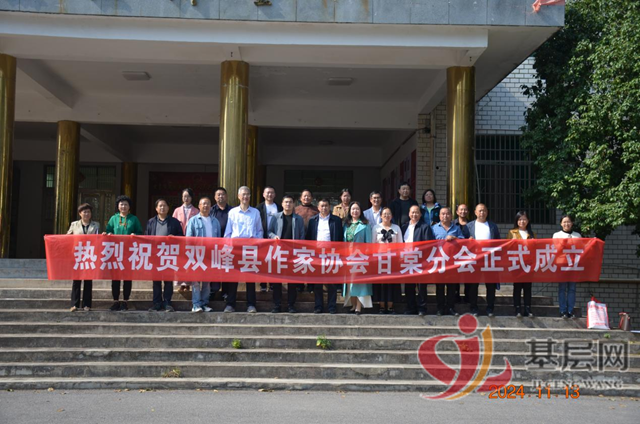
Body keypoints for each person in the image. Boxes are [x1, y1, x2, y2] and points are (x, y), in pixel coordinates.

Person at [224, 186, 263, 313]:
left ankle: (251, 305)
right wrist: (228, 247)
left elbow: (259, 231)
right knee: (233, 277)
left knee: (250, 278)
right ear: (238, 196)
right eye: (243, 194)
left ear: (250, 196)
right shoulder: (233, 212)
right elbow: (228, 232)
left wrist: (256, 243)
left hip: (250, 248)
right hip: (235, 248)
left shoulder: (255, 212)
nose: (245, 197)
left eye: (247, 194)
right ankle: (230, 304)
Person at [104, 195, 143, 311]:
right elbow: (108, 231)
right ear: (118, 206)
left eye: (126, 204)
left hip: (129, 253)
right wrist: (108, 234)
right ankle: (115, 300)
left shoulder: (134, 219)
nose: (123, 206)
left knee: (127, 277)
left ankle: (125, 301)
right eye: (121, 204)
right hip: (115, 252)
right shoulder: (113, 218)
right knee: (115, 278)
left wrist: (135, 235)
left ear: (129, 207)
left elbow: (140, 232)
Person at [268, 195, 305, 313]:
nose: (288, 204)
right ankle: (277, 305)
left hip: (293, 253)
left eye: (290, 202)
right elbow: (269, 232)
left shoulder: (298, 219)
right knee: (277, 281)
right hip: (278, 252)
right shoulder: (275, 217)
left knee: (292, 281)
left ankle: (291, 305)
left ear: (293, 204)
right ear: (282, 204)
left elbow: (302, 236)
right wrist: (274, 236)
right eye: (286, 202)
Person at [146, 198, 184, 312]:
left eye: (164, 205)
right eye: (160, 206)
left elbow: (181, 236)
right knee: (156, 281)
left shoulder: (174, 222)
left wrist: (175, 237)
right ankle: (157, 303)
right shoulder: (151, 222)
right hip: (155, 255)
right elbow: (146, 237)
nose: (162, 208)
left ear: (168, 208)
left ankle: (167, 302)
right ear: (156, 208)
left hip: (169, 255)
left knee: (168, 281)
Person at [306, 198, 343, 313]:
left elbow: (340, 237)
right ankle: (318, 306)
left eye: (326, 205)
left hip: (332, 254)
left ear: (330, 207)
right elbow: (309, 237)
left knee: (332, 283)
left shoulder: (336, 220)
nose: (324, 208)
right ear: (318, 207)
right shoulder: (313, 220)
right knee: (318, 283)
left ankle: (332, 306)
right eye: (322, 206)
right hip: (317, 254)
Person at [185, 197, 221, 312]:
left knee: (207, 282)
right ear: (199, 206)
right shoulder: (193, 220)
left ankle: (204, 303)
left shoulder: (215, 221)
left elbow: (219, 240)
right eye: (203, 204)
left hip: (210, 255)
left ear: (211, 206)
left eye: (208, 204)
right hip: (197, 255)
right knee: (196, 281)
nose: (205, 206)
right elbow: (188, 239)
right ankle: (196, 305)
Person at [467, 203, 501, 317]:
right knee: (473, 285)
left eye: (484, 211)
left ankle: (490, 308)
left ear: (487, 212)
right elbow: (463, 242)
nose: (482, 213)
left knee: (490, 285)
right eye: (480, 211)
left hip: (489, 259)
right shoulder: (469, 226)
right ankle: (473, 307)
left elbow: (498, 242)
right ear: (475, 212)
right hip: (474, 259)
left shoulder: (492, 226)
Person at [431, 207, 466, 316]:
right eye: (443, 214)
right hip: (439, 261)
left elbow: (463, 242)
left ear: (451, 216)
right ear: (439, 216)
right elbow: (429, 243)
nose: (445, 216)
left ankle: (451, 307)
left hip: (452, 261)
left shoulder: (456, 228)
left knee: (452, 286)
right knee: (440, 286)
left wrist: (454, 238)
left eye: (447, 214)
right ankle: (440, 308)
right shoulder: (433, 228)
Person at [401, 205, 435, 315]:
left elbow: (428, 245)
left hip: (420, 260)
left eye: (417, 212)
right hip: (407, 260)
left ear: (420, 214)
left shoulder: (424, 227)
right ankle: (411, 307)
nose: (414, 214)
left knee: (421, 286)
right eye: (412, 212)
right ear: (409, 214)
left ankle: (422, 308)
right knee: (409, 286)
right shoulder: (404, 227)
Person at [67, 203, 100, 312]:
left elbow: (98, 238)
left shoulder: (96, 225)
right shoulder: (74, 224)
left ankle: (87, 304)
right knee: (76, 280)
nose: (86, 214)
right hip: (77, 255)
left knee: (88, 280)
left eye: (88, 212)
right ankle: (74, 304)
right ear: (80, 213)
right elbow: (68, 237)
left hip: (90, 255)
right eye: (84, 212)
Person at [342, 201, 373, 315]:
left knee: (359, 282)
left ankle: (359, 306)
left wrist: (367, 257)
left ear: (361, 211)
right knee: (350, 282)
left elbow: (369, 243)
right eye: (353, 209)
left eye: (357, 209)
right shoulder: (346, 225)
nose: (355, 211)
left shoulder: (365, 225)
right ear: (350, 211)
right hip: (348, 256)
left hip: (360, 257)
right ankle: (353, 304)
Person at [372, 207, 402, 314]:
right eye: (384, 214)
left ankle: (390, 305)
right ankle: (381, 305)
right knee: (381, 283)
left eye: (388, 214)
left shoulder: (396, 228)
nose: (386, 216)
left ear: (392, 216)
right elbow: (373, 244)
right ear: (380, 216)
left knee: (391, 282)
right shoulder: (376, 227)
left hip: (393, 259)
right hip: (380, 259)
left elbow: (400, 244)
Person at [507, 211, 536, 318]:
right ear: (516, 221)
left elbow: (535, 250)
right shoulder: (512, 232)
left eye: (524, 219)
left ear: (528, 221)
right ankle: (517, 308)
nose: (522, 221)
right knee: (517, 287)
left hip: (528, 263)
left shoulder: (532, 234)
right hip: (517, 263)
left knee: (527, 287)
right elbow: (508, 247)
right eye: (520, 219)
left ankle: (528, 308)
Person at [553, 215, 582, 319]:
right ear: (561, 223)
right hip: (562, 265)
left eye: (568, 222)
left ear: (572, 223)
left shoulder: (577, 235)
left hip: (574, 265)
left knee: (572, 289)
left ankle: (570, 310)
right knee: (562, 288)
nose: (566, 224)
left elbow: (582, 249)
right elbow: (555, 249)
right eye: (564, 222)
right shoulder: (557, 235)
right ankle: (562, 310)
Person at [172, 188, 200, 292]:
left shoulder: (196, 211)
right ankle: (181, 284)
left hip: (191, 240)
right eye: (184, 196)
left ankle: (188, 284)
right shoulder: (177, 210)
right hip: (180, 239)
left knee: (190, 262)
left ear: (191, 198)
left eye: (188, 196)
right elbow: (173, 223)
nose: (186, 198)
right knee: (180, 262)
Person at [256, 186, 282, 293]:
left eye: (272, 193)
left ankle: (272, 284)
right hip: (262, 238)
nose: (269, 195)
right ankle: (263, 284)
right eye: (267, 193)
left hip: (276, 238)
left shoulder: (279, 207)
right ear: (263, 194)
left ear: (275, 195)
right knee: (263, 261)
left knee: (274, 262)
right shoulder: (258, 208)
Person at [295, 189, 319, 294]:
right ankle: (299, 285)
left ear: (312, 198)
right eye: (304, 196)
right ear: (300, 198)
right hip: (299, 240)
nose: (306, 198)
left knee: (311, 263)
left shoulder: (316, 210)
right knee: (300, 263)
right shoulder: (296, 210)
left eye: (308, 196)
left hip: (312, 240)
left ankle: (311, 285)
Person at [212, 187, 231, 300]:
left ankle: (225, 293)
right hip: (214, 246)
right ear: (215, 197)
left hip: (228, 245)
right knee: (214, 268)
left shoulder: (232, 211)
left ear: (226, 196)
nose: (221, 196)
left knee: (227, 269)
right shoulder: (211, 210)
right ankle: (213, 291)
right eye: (218, 194)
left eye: (223, 194)